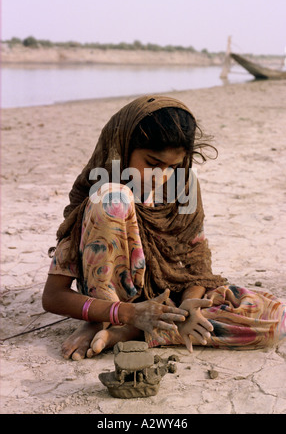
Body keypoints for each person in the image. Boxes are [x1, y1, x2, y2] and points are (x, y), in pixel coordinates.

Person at [42, 95, 286, 360]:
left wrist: (190, 304)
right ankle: (110, 320)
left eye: (173, 166)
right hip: (118, 306)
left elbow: (196, 265)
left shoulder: (184, 186)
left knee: (277, 320)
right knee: (113, 197)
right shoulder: (101, 195)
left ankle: (137, 332)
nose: (162, 176)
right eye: (152, 163)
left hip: (168, 300)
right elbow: (54, 296)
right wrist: (127, 312)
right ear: (122, 149)